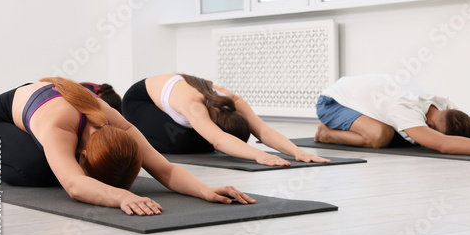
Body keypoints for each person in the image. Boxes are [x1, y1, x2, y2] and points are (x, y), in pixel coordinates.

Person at [0, 77, 255, 216]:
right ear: (83, 155)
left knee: (52, 163)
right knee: (35, 169)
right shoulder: (59, 127)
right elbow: (75, 186)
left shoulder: (118, 125)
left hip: (37, 114)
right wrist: (123, 197)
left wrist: (205, 190)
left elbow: (167, 170)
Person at [121, 73, 330, 166]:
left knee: (202, 139)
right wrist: (259, 155)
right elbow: (218, 140)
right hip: (140, 102)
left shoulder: (233, 102)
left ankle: (222, 139)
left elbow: (263, 130)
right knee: (184, 141)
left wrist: (298, 152)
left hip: (180, 107)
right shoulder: (194, 104)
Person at [314, 74, 470, 155]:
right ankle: (326, 133)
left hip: (369, 98)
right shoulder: (405, 109)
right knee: (380, 136)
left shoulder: (446, 108)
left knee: (400, 135)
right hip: (333, 102)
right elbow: (444, 144)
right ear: (431, 127)